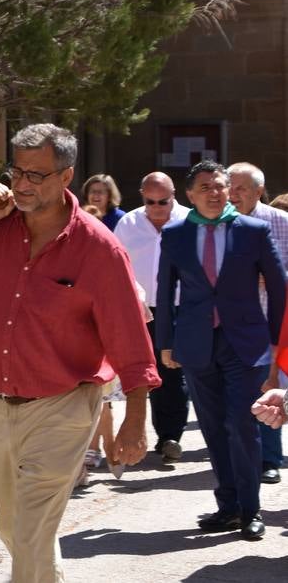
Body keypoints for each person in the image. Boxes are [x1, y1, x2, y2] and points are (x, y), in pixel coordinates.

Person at [0, 123, 159, 583]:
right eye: (17, 171)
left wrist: (135, 419)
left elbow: (129, 337)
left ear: (66, 176)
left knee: (32, 530)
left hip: (63, 405)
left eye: (37, 175)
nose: (22, 184)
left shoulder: (99, 249)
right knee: (14, 527)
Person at [156, 160, 286, 541]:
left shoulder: (254, 231)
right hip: (196, 343)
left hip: (245, 344)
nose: (214, 193)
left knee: (242, 425)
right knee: (213, 428)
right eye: (205, 187)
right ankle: (227, 506)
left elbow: (280, 290)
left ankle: (250, 510)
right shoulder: (176, 234)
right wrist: (165, 342)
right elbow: (166, 292)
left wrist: (278, 346)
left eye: (220, 186)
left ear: (229, 190)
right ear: (190, 195)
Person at [112, 172, 191, 462]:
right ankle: (163, 435)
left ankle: (171, 435)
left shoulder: (190, 220)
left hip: (183, 306)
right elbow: (115, 266)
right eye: (150, 201)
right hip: (141, 308)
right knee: (150, 370)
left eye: (163, 201)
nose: (157, 207)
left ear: (174, 196)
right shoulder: (128, 224)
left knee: (175, 369)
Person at [227, 161, 288, 484]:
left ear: (259, 191)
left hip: (271, 323)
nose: (233, 195)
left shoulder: (282, 223)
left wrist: (275, 277)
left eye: (241, 189)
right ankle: (238, 461)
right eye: (230, 188)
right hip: (230, 324)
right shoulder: (219, 224)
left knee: (269, 386)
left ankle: (269, 458)